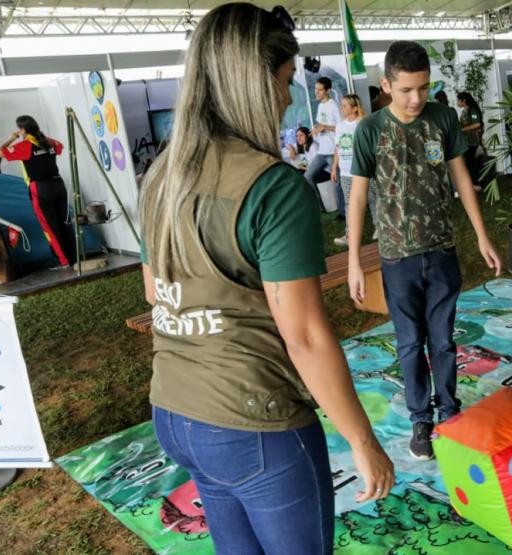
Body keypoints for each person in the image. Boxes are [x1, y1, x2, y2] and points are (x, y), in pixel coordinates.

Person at [138, 5, 394, 554]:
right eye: (284, 80)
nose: (287, 96)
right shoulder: (273, 188)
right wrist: (363, 440)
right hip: (253, 420)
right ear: (252, 84)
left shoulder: (162, 175)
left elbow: (155, 291)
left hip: (174, 411)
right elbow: (305, 338)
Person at [347, 41, 502, 460]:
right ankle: (421, 419)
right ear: (386, 86)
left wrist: (482, 236)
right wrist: (355, 262)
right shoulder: (371, 130)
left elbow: (461, 178)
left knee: (444, 341)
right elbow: (357, 198)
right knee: (410, 344)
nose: (416, 99)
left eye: (423, 88)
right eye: (405, 90)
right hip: (397, 258)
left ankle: (449, 411)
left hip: (442, 251)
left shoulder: (442, 118)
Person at [0, 115, 76, 267]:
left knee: (50, 227)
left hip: (40, 189)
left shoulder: (25, 146)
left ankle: (64, 261)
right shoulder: (48, 142)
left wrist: (12, 138)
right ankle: (74, 257)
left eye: (19, 129)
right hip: (58, 184)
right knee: (65, 222)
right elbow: (61, 147)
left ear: (23, 130)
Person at [331, 94, 377, 246]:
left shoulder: (363, 123)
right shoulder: (340, 126)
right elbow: (337, 148)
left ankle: (380, 228)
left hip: (363, 170)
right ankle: (350, 235)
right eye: (342, 105)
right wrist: (334, 168)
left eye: (345, 105)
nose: (341, 108)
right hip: (345, 172)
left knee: (373, 198)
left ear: (355, 108)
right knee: (349, 204)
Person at [306, 76, 342, 214]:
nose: (316, 92)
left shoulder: (334, 105)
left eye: (320, 90)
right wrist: (315, 129)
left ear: (328, 90)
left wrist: (325, 127)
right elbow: (321, 125)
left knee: (337, 182)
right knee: (307, 177)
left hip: (333, 151)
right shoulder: (320, 106)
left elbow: (341, 127)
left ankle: (342, 212)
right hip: (322, 151)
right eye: (316, 89)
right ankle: (320, 208)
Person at [456, 91, 485, 191]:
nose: (457, 102)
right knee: (470, 163)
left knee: (473, 164)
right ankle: (474, 184)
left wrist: (462, 129)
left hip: (473, 142)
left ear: (464, 101)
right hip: (467, 141)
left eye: (458, 100)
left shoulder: (473, 110)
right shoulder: (465, 110)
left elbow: (477, 124)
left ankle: (477, 184)